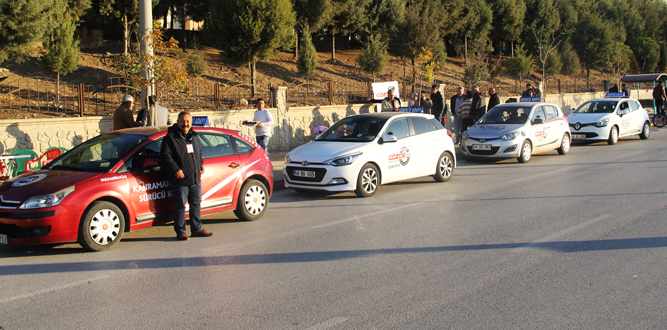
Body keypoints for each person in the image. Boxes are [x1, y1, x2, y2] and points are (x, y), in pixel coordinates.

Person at [160, 111, 212, 241]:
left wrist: (201, 164)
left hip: (194, 178)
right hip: (180, 179)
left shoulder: (193, 136)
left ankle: (197, 229)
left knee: (195, 203)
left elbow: (198, 151)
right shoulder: (170, 137)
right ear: (177, 122)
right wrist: (176, 169)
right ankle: (181, 231)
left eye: (188, 121)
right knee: (180, 206)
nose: (185, 124)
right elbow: (166, 156)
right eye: (182, 121)